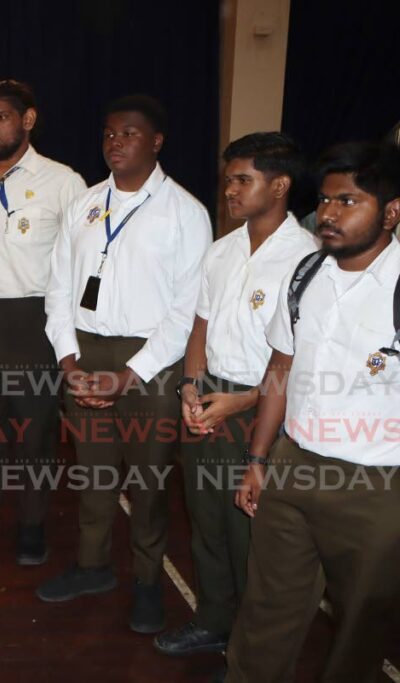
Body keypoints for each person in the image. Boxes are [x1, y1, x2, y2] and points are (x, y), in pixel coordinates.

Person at [37, 95, 212, 634]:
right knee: (92, 473)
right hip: (86, 352)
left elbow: (188, 309)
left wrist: (130, 373)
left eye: (129, 134)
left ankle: (146, 581)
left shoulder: (186, 212)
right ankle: (92, 567)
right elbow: (59, 286)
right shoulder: (86, 204)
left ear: (155, 142)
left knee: (149, 479)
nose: (115, 142)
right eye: (109, 133)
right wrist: (69, 360)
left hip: (151, 363)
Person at [228, 141, 400, 682]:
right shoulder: (306, 275)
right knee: (268, 608)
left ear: (392, 211)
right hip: (292, 466)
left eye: (349, 202)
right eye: (325, 201)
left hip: (376, 487)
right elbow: (281, 367)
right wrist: (258, 457)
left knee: (360, 625)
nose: (328, 214)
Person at [153, 133, 317, 658]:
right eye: (227, 179)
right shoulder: (222, 250)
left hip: (262, 406)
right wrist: (190, 387)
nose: (230, 189)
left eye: (243, 179)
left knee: (253, 537)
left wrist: (239, 403)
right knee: (206, 522)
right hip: (209, 399)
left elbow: (294, 361)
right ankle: (213, 620)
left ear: (281, 185)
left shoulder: (308, 259)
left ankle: (248, 649)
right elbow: (199, 325)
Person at [0, 80, 86, 565]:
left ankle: (32, 522)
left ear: (27, 120)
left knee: (35, 431)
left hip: (31, 320)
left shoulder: (63, 182)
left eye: (1, 116)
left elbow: (80, 258)